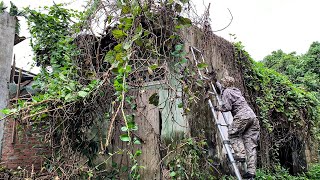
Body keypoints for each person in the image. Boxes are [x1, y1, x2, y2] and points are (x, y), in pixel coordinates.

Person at [215, 75, 260, 179]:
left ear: (225, 83)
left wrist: (218, 108)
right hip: (252, 117)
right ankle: (251, 172)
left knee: (232, 133)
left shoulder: (227, 92)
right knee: (250, 145)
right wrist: (217, 83)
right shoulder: (236, 91)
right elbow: (222, 89)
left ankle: (240, 154)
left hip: (242, 115)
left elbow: (227, 107)